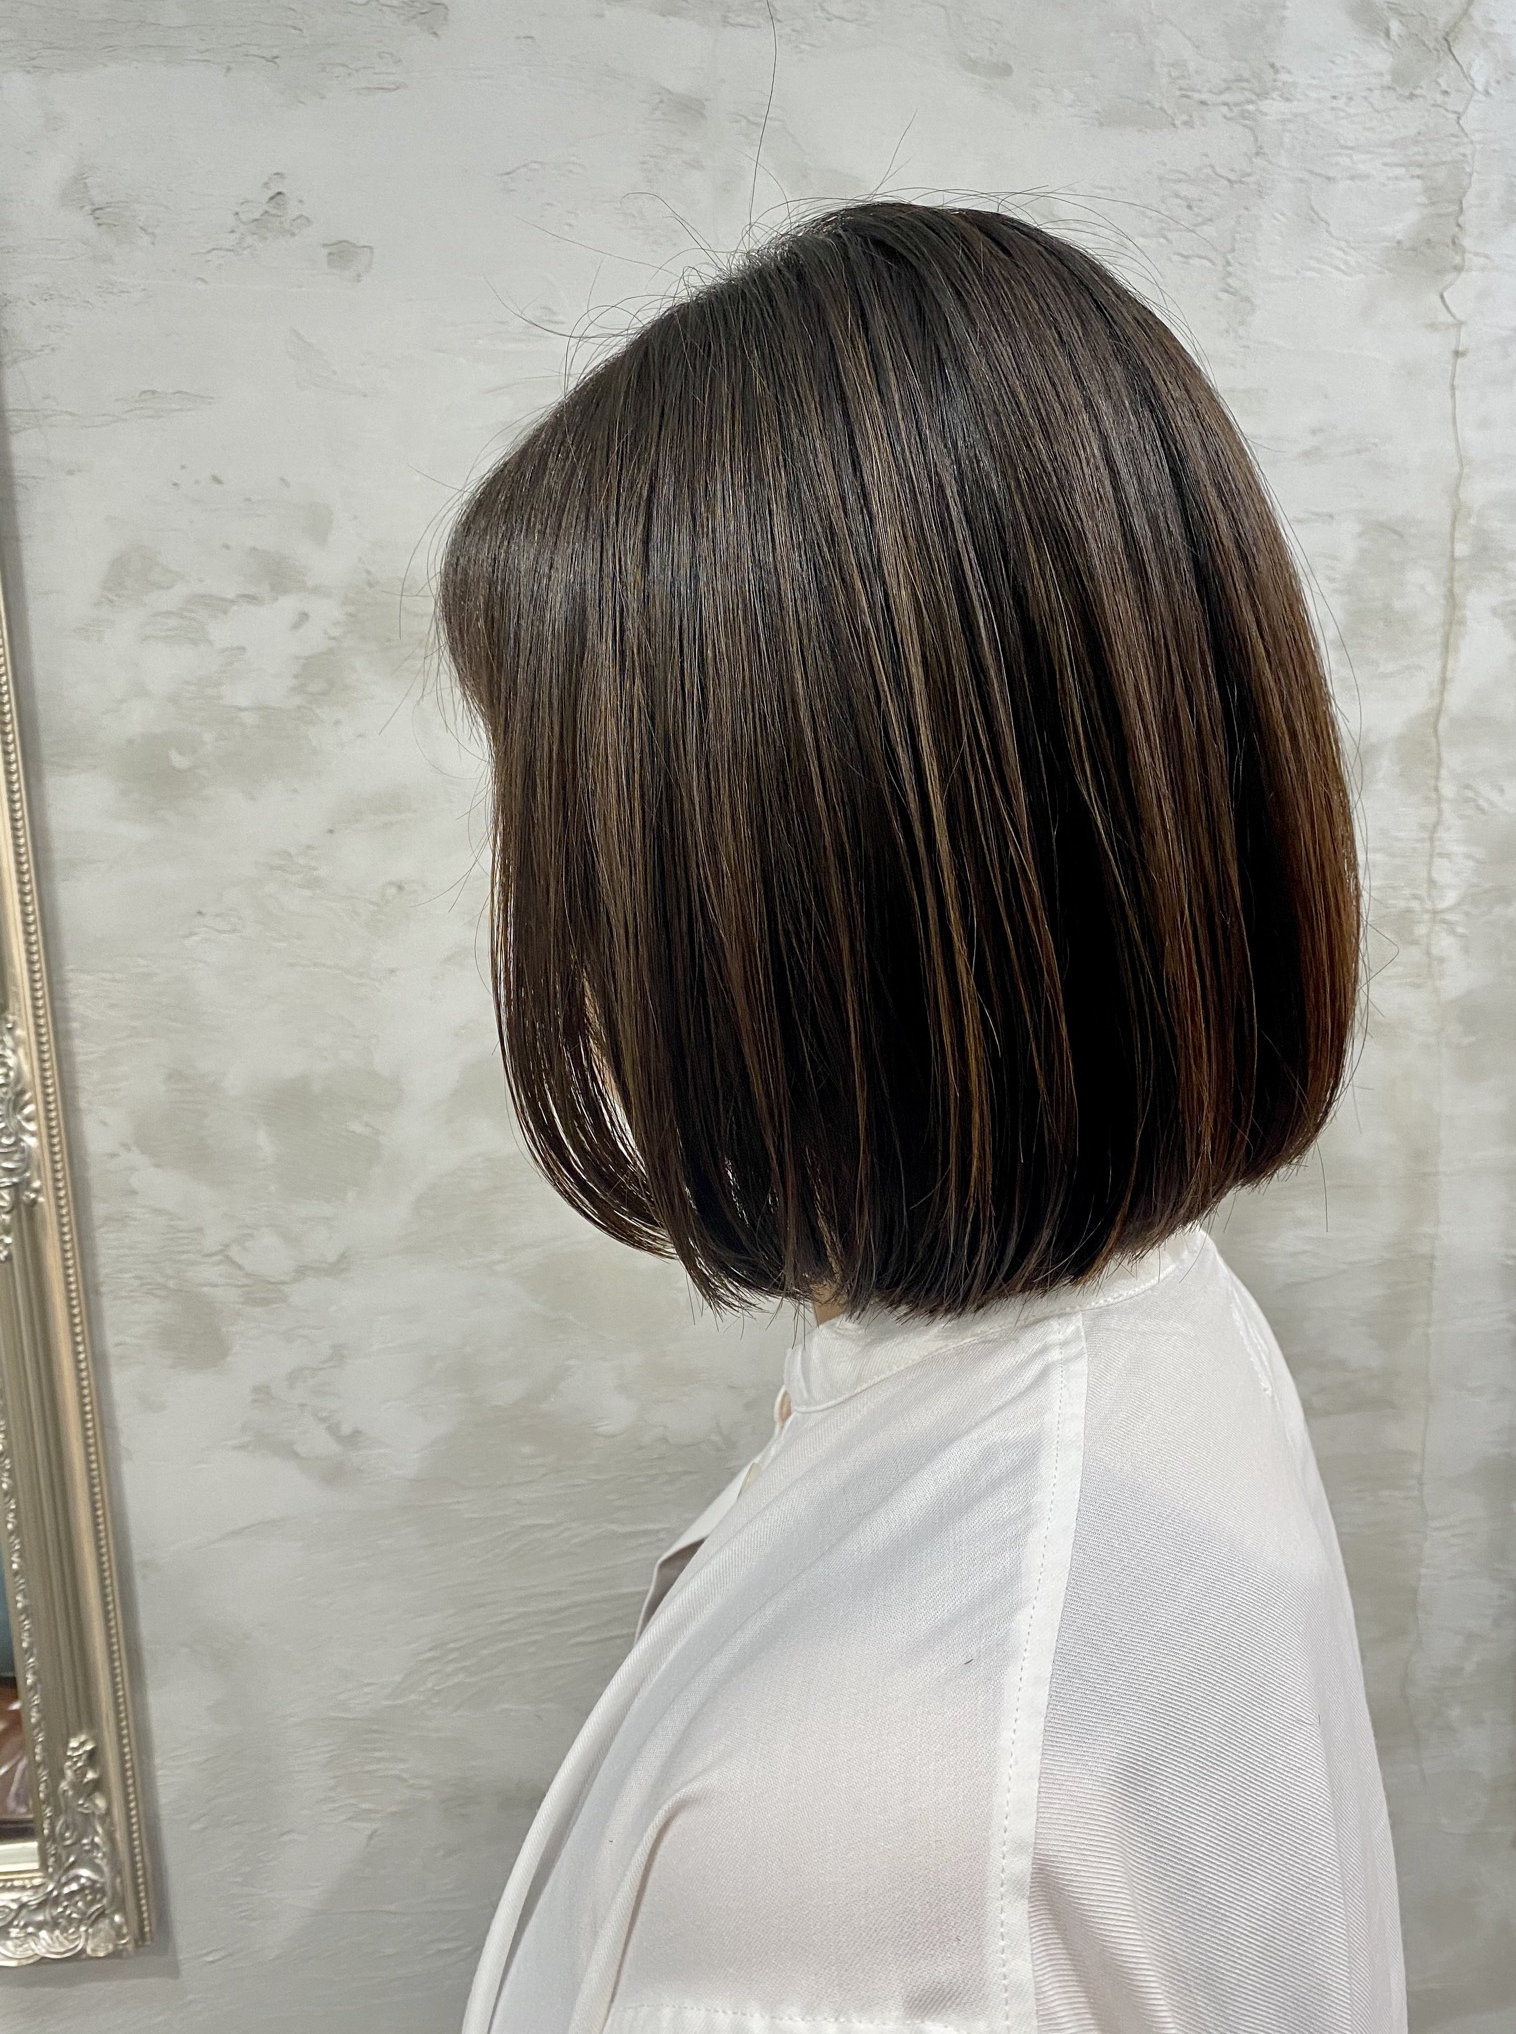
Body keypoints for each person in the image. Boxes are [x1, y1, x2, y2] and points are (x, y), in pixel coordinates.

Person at [440, 200, 1408, 2034]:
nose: (549, 919)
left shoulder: (863, 1858)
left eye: (570, 830)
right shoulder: (1167, 1327)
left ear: (797, 903)